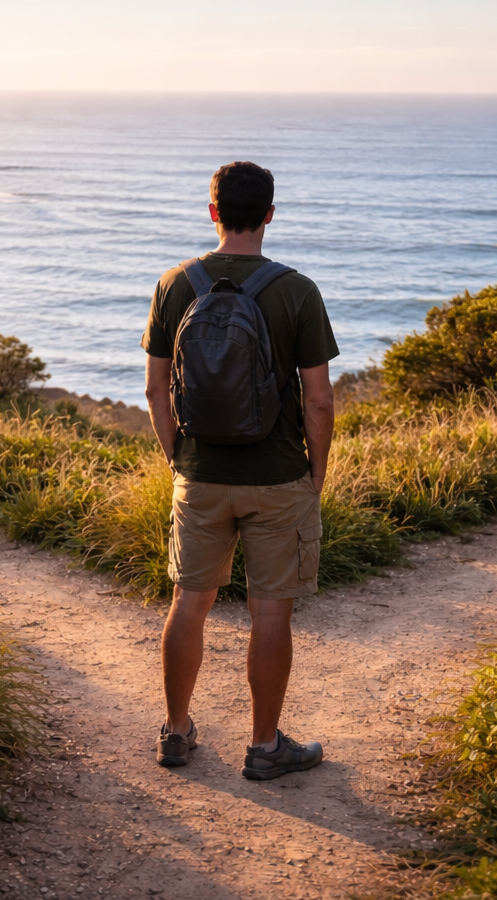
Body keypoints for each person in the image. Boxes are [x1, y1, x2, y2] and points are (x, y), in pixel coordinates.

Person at [141, 160, 338, 780]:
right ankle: (263, 747)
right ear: (271, 215)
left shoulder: (176, 283)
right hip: (278, 477)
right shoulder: (296, 290)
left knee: (188, 602)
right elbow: (319, 398)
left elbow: (154, 389)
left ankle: (176, 732)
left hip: (199, 474)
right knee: (270, 612)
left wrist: (179, 457)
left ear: (213, 212)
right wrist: (316, 472)